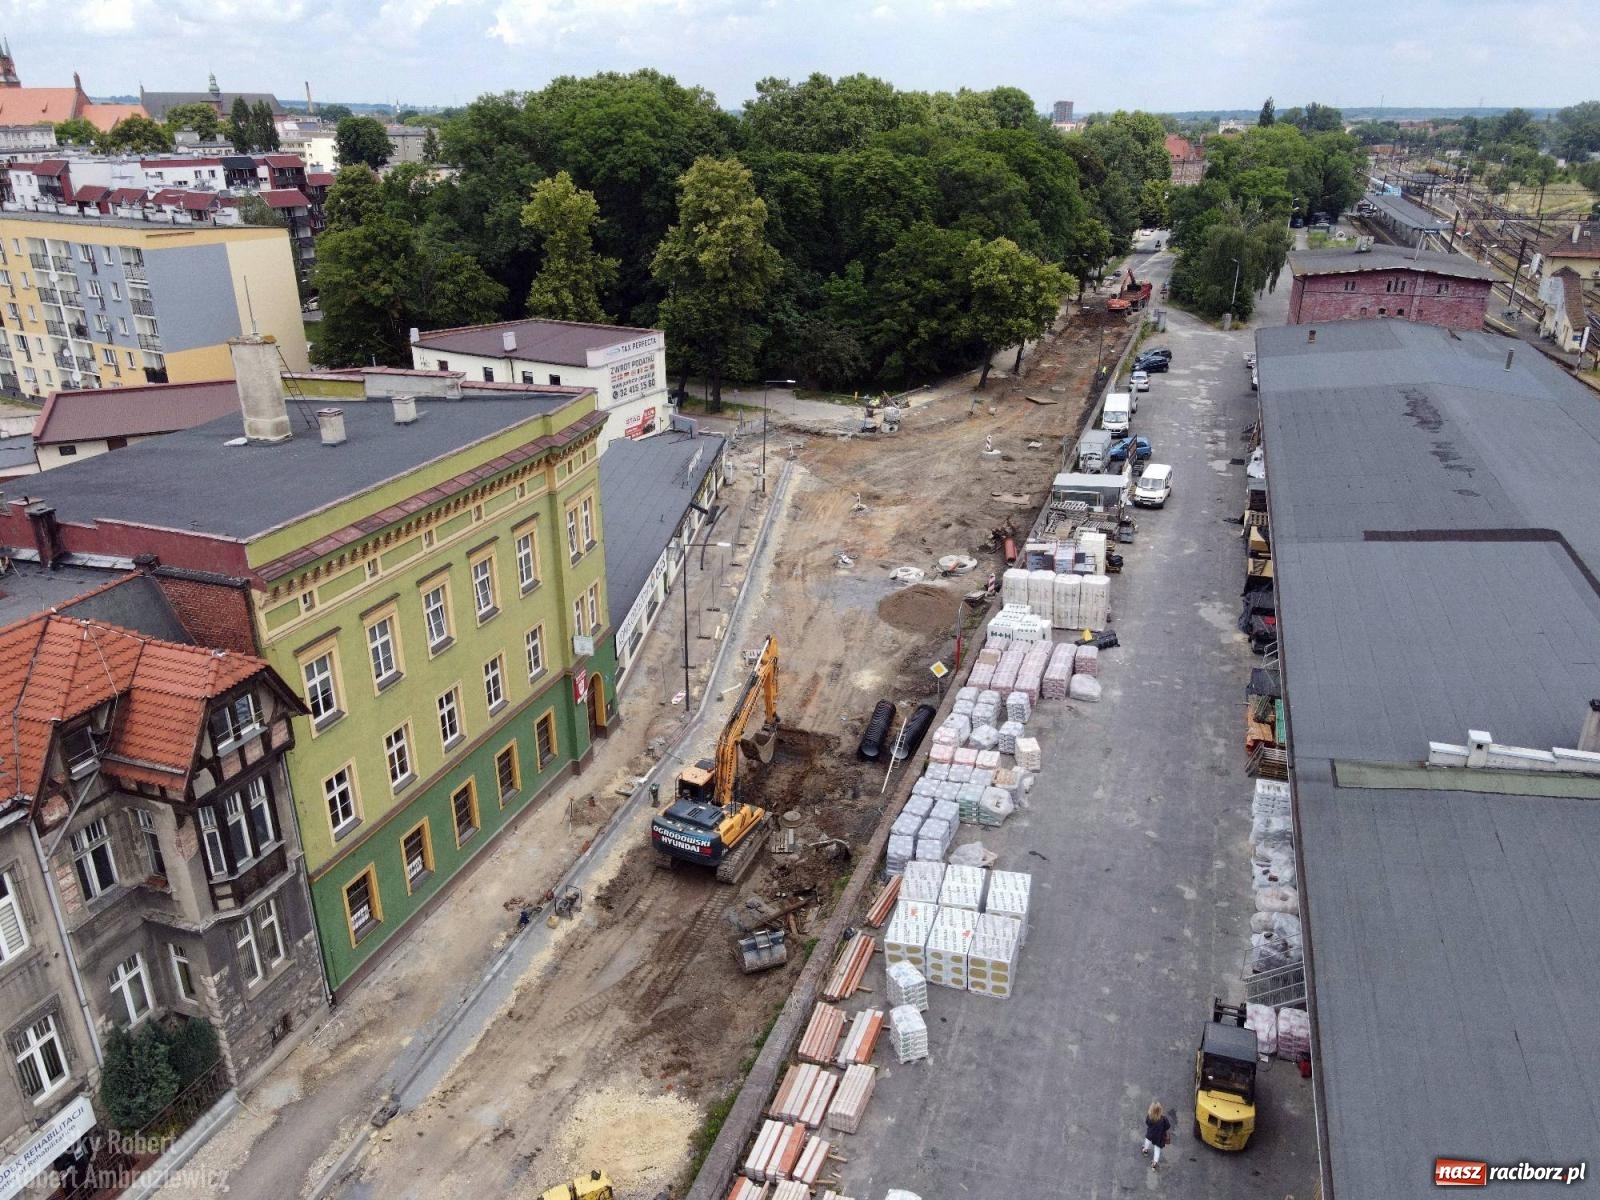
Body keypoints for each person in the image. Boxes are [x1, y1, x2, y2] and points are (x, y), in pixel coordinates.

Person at [1142, 1100, 1172, 1168]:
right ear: (1160, 1110)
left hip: (1151, 1133)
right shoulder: (1164, 1119)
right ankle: (1155, 1162)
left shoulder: (1150, 1117)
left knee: (1147, 1140)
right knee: (1157, 1149)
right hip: (1159, 1136)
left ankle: (1145, 1150)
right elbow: (1168, 1126)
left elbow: (1147, 1123)